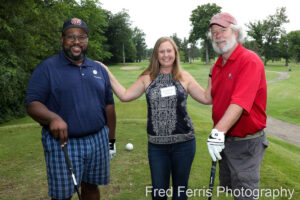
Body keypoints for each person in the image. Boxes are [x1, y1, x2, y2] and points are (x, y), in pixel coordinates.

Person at [100, 37, 211, 200]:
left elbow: (206, 98)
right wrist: (106, 70)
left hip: (184, 144)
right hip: (157, 147)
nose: (166, 55)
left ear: (175, 53)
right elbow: (124, 95)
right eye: (162, 51)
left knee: (180, 193)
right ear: (156, 55)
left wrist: (213, 74)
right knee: (158, 193)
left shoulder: (184, 77)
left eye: (169, 51)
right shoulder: (147, 77)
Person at [26, 18, 116, 200]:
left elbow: (109, 106)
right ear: (62, 39)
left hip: (98, 139)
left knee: (91, 186)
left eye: (82, 37)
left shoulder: (98, 69)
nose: (76, 42)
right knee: (62, 195)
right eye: (71, 36)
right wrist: (52, 118)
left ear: (87, 40)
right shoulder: (47, 68)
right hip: (64, 143)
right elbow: (32, 104)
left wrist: (111, 141)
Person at [206, 12, 269, 199]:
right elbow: (209, 97)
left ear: (235, 32)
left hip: (246, 144)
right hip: (226, 142)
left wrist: (218, 131)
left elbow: (240, 102)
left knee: (244, 195)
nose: (217, 36)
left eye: (222, 30)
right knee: (232, 191)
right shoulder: (217, 65)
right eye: (214, 33)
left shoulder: (249, 60)